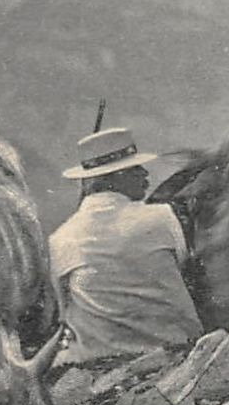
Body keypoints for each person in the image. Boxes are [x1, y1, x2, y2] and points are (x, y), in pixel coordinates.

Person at [48, 126, 203, 364]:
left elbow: (63, 311)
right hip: (174, 356)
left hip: (98, 363)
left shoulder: (60, 239)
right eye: (135, 169)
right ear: (114, 178)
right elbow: (182, 270)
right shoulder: (162, 217)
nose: (145, 175)